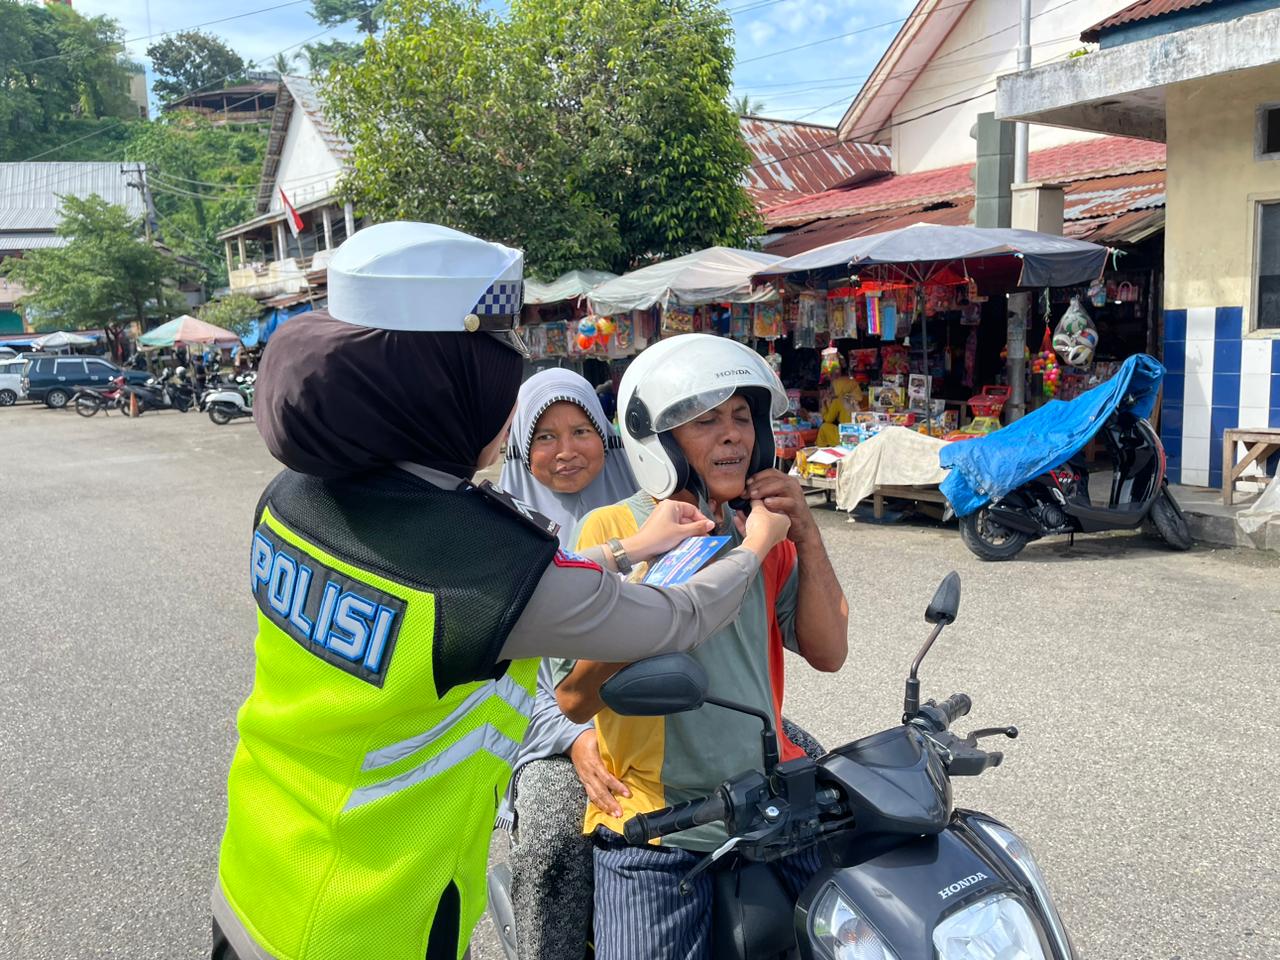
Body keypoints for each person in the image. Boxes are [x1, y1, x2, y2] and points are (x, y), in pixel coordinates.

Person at [210, 222, 795, 960]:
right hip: (367, 919)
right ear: (443, 393)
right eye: (496, 379)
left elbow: (529, 592)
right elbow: (677, 618)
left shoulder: (292, 498)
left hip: (258, 873)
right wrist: (755, 544)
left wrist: (629, 548)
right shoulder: (483, 560)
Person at [551, 333, 850, 960]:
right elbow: (573, 697)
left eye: (743, 418)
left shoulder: (763, 531)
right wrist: (657, 566)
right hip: (653, 825)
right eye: (706, 421)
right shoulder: (613, 531)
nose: (734, 436)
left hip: (766, 803)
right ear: (659, 442)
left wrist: (806, 534)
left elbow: (828, 652)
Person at [495, 368, 638, 958]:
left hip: (662, 711)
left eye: (581, 431)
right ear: (521, 448)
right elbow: (500, 680)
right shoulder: (498, 531)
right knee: (554, 839)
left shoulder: (652, 508)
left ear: (606, 437)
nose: (566, 451)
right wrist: (575, 735)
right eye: (545, 437)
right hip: (551, 729)